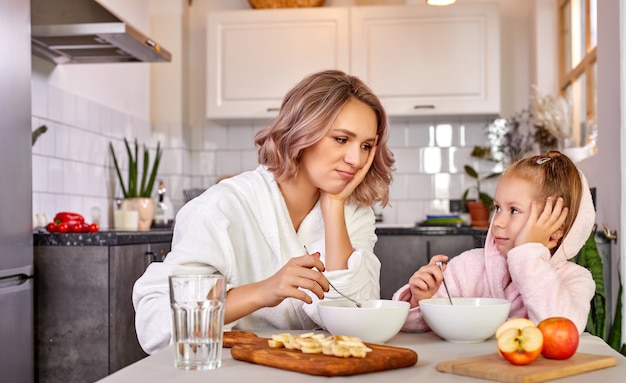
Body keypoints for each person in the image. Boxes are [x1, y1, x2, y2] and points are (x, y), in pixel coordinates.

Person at [133, 69, 395, 354]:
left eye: (367, 146)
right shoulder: (221, 208)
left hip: (322, 376)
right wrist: (262, 291)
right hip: (232, 379)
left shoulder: (353, 211)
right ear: (303, 132)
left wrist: (333, 207)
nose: (356, 159)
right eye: (342, 139)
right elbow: (156, 326)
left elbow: (357, 323)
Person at [393, 150, 596, 334]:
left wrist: (528, 254)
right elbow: (416, 324)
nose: (497, 222)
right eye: (497, 208)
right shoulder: (470, 266)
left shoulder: (575, 279)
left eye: (514, 210)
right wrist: (420, 299)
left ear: (555, 230)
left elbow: (562, 329)